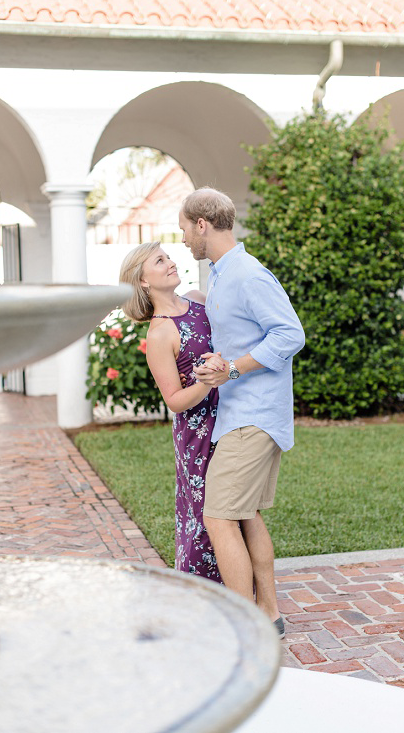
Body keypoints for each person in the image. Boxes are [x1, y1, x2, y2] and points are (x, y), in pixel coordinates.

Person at [182, 187, 305, 638]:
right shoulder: (221, 274)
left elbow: (290, 335)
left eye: (184, 230)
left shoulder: (249, 275)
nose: (183, 241)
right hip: (240, 414)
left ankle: (244, 622)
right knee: (245, 513)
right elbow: (238, 330)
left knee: (218, 516)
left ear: (202, 225)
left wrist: (232, 368)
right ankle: (269, 615)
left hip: (255, 416)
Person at [118, 242, 223, 584]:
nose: (171, 263)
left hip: (233, 417)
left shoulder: (198, 299)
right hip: (198, 432)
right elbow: (175, 400)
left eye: (168, 257)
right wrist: (209, 381)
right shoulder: (160, 333)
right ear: (143, 281)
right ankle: (203, 595)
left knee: (234, 510)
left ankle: (241, 590)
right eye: (160, 261)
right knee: (205, 515)